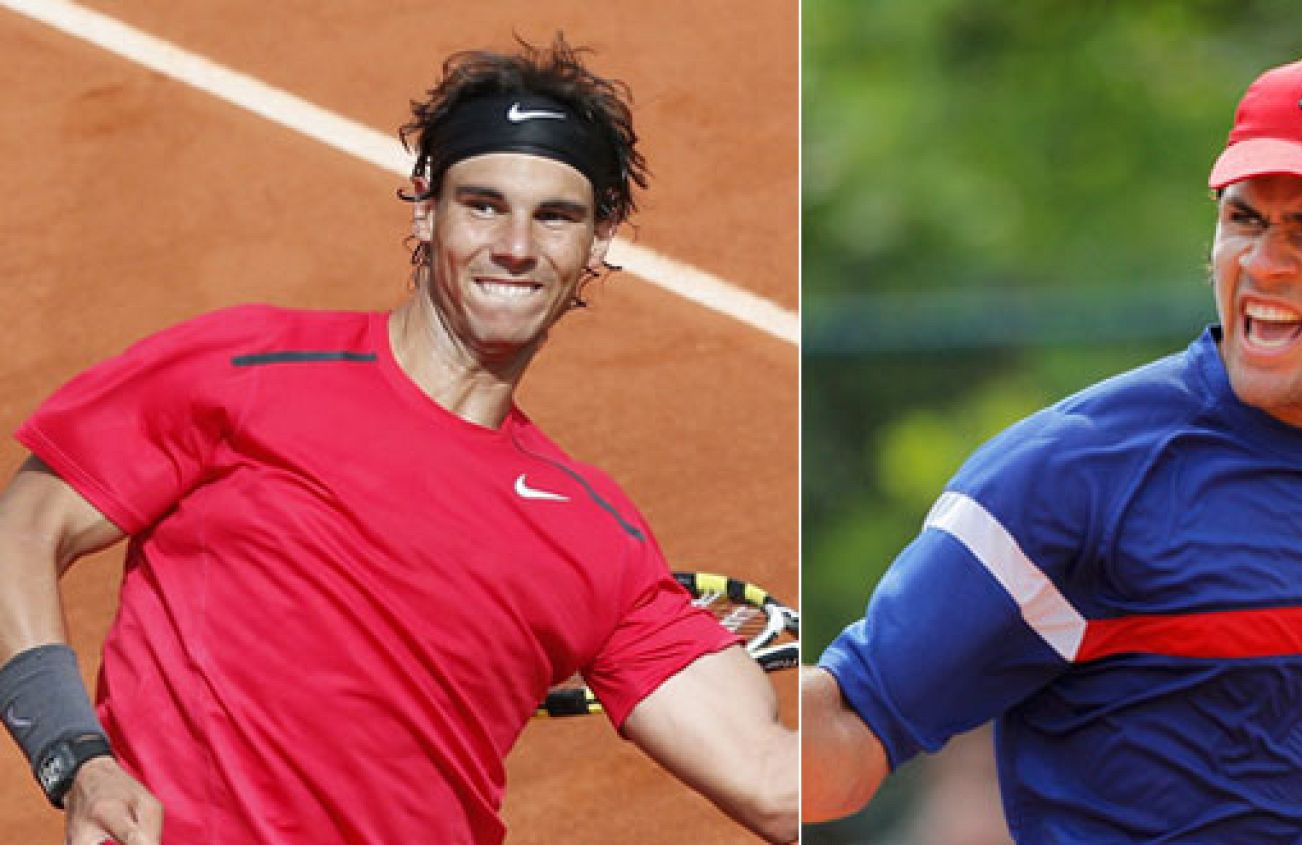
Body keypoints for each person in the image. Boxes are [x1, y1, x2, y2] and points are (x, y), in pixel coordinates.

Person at [0, 35, 796, 844]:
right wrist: (78, 758)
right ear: (425, 206)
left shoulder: (596, 536)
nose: (516, 246)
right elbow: (22, 532)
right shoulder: (247, 370)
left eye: (555, 216)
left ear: (598, 239)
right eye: (483, 205)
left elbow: (773, 782)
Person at [802, 52, 1302, 843]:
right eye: (1245, 219)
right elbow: (847, 728)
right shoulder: (1067, 478)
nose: (1263, 263)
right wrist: (724, 665)